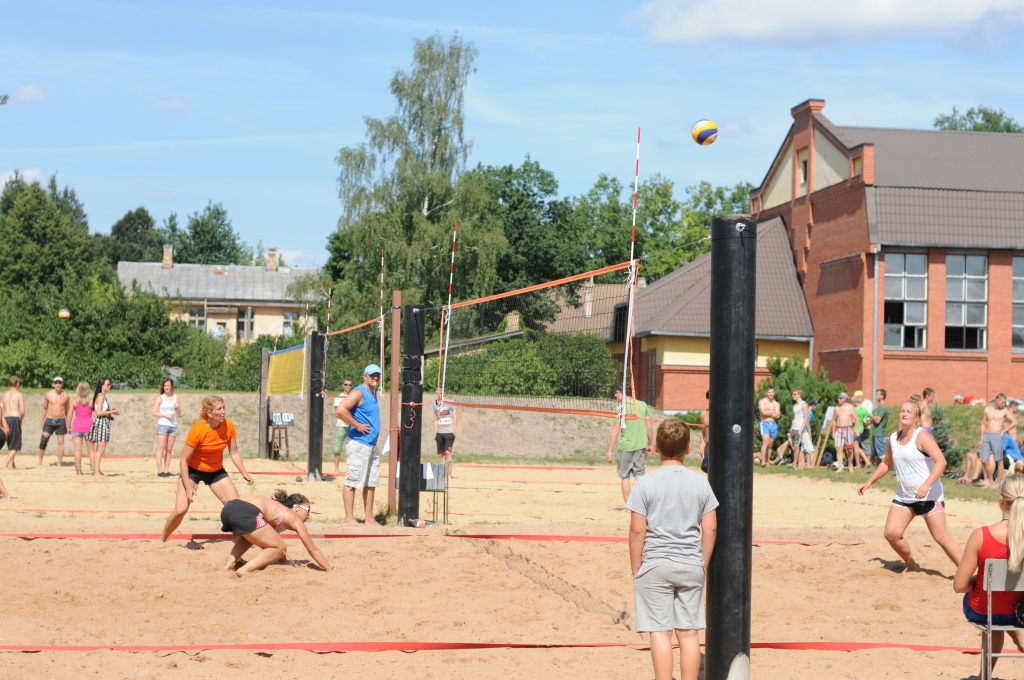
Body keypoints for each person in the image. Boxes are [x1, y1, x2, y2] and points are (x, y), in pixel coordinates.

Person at [627, 418, 718, 680]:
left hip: (655, 563)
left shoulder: (645, 484)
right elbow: (710, 528)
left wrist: (636, 566)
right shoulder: (701, 483)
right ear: (688, 448)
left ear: (655, 447)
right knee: (688, 632)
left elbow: (637, 530)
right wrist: (702, 563)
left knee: (660, 631)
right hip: (690, 562)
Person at [857, 400, 963, 572]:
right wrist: (869, 481)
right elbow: (887, 463)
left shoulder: (921, 436)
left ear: (916, 418)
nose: (904, 414)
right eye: (902, 411)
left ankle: (971, 574)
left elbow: (941, 461)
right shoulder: (893, 438)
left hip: (929, 496)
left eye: (909, 411)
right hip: (905, 497)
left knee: (942, 538)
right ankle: (912, 565)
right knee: (891, 534)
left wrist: (927, 485)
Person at [953, 474, 1024, 676]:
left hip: (983, 610)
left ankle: (985, 675)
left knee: (994, 612)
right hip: (1019, 612)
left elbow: (959, 586)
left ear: (1001, 500)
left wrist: (980, 580)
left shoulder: (981, 535)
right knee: (1006, 608)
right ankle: (1019, 634)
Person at [160, 395, 254, 541]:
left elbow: (234, 453)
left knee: (237, 509)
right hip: (192, 471)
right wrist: (188, 486)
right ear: (209, 413)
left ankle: (245, 541)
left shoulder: (228, 425)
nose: (223, 411)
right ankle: (162, 539)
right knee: (181, 509)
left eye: (224, 407)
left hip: (215, 471)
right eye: (219, 408)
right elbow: (183, 461)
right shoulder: (197, 430)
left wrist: (244, 473)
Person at [220, 490, 332, 578]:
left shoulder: (276, 509)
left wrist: (284, 563)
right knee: (281, 548)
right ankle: (245, 570)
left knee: (251, 533)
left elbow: (262, 538)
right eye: (307, 510)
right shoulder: (292, 517)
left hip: (229, 508)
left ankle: (229, 565)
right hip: (246, 512)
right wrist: (329, 570)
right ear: (297, 507)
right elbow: (313, 550)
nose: (308, 516)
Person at [335, 364, 382, 525]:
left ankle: (369, 518)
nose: (375, 378)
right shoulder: (358, 392)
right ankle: (350, 518)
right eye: (372, 375)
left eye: (377, 375)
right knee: (352, 480)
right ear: (365, 376)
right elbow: (340, 410)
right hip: (358, 443)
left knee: (371, 482)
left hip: (371, 444)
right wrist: (357, 424)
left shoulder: (372, 393)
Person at [606, 386, 654, 504]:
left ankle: (628, 506)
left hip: (625, 447)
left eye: (617, 392)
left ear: (623, 392)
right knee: (640, 476)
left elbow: (616, 431)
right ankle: (640, 505)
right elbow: (649, 427)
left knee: (625, 476)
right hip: (641, 446)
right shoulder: (643, 405)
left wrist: (610, 450)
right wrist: (650, 444)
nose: (615, 395)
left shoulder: (619, 408)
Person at [979, 394, 1016, 489]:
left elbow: (1014, 422)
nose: (1004, 404)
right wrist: (981, 438)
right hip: (987, 435)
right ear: (997, 400)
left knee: (999, 460)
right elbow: (983, 424)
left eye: (1005, 402)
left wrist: (1003, 431)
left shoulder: (1004, 411)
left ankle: (998, 483)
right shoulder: (987, 410)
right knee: (984, 460)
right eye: (1003, 402)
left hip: (997, 435)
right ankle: (990, 481)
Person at [86, 377, 119, 478]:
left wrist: (110, 410)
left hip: (103, 422)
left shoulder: (102, 397)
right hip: (101, 423)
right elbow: (99, 412)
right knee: (100, 449)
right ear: (102, 386)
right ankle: (96, 472)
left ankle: (97, 471)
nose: (109, 386)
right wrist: (111, 412)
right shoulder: (100, 397)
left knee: (100, 449)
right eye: (108, 384)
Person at [151, 378, 181, 477]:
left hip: (173, 426)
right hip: (163, 425)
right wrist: (165, 415)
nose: (166, 387)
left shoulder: (176, 397)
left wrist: (177, 407)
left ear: (171, 386)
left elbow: (179, 413)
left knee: (169, 449)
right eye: (165, 385)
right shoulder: (160, 398)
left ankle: (167, 470)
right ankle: (160, 471)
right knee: (161, 448)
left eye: (168, 385)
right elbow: (154, 412)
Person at [38, 376, 71, 466]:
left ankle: (59, 463)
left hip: (60, 420)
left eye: (60, 383)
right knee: (44, 440)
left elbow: (67, 411)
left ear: (62, 384)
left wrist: (68, 424)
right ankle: (40, 461)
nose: (58, 384)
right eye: (56, 383)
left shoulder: (66, 396)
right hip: (50, 419)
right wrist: (42, 420)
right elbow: (44, 408)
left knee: (61, 442)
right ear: (53, 384)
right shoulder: (48, 394)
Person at [69, 382, 94, 476]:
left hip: (76, 427)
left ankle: (78, 470)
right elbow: (95, 414)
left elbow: (69, 414)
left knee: (77, 450)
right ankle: (93, 469)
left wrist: (68, 426)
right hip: (89, 427)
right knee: (91, 450)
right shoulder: (91, 401)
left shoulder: (74, 401)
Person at [331, 379, 354, 474]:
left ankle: (350, 470)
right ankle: (336, 469)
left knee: (352, 449)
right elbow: (337, 413)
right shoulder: (339, 397)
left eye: (349, 385)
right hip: (341, 425)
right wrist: (347, 419)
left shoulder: (354, 397)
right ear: (343, 385)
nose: (348, 386)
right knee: (337, 448)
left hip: (352, 426)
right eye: (346, 384)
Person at [432, 396, 457, 483]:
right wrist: (435, 433)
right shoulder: (435, 404)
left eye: (440, 391)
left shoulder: (450, 402)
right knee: (443, 454)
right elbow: (435, 419)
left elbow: (455, 417)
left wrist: (454, 430)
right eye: (437, 392)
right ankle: (443, 474)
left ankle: (449, 474)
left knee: (448, 453)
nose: (438, 393)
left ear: (443, 393)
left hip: (449, 432)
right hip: (440, 432)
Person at [2, 376, 25, 469]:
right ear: (17, 384)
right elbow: (22, 411)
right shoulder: (19, 395)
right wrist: (21, 420)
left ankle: (12, 464)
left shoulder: (4, 395)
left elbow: (1, 408)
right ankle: (5, 464)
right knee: (16, 444)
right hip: (14, 418)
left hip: (5, 418)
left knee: (10, 442)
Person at [833, 393, 857, 473]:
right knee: (838, 448)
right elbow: (834, 420)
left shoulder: (850, 407)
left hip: (848, 428)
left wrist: (857, 431)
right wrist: (833, 432)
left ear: (845, 398)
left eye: (840, 398)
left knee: (850, 449)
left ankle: (850, 465)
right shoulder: (836, 408)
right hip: (839, 429)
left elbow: (856, 419)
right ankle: (840, 467)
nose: (838, 399)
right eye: (838, 398)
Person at [757, 387, 781, 467]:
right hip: (765, 424)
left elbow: (778, 415)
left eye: (772, 392)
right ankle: (763, 461)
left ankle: (767, 462)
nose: (771, 394)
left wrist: (769, 413)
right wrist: (773, 412)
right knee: (766, 442)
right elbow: (763, 413)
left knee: (770, 444)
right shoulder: (762, 401)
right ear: (766, 393)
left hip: (773, 424)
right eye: (769, 392)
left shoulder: (776, 403)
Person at [790, 389, 812, 470]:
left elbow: (806, 419)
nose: (793, 395)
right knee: (796, 448)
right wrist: (791, 428)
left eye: (794, 394)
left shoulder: (804, 404)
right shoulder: (795, 406)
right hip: (794, 427)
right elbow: (794, 418)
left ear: (799, 395)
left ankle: (794, 464)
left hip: (800, 428)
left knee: (797, 446)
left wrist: (803, 430)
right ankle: (799, 464)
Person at [851, 393, 871, 470]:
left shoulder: (855, 410)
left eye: (852, 402)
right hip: (862, 429)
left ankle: (859, 464)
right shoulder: (864, 410)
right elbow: (871, 416)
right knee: (857, 446)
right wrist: (866, 423)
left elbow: (853, 420)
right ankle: (865, 461)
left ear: (855, 402)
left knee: (856, 447)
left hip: (855, 429)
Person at [871, 389, 889, 463]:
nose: (875, 396)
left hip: (880, 434)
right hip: (875, 434)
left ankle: (884, 469)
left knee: (882, 454)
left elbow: (877, 420)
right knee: (877, 456)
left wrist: (871, 416)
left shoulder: (883, 407)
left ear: (882, 396)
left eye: (877, 394)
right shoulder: (878, 408)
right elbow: (874, 420)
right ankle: (877, 471)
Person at [699, 390, 710, 473]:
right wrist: (702, 446)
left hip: (722, 446)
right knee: (707, 469)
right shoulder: (704, 414)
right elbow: (703, 432)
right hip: (709, 446)